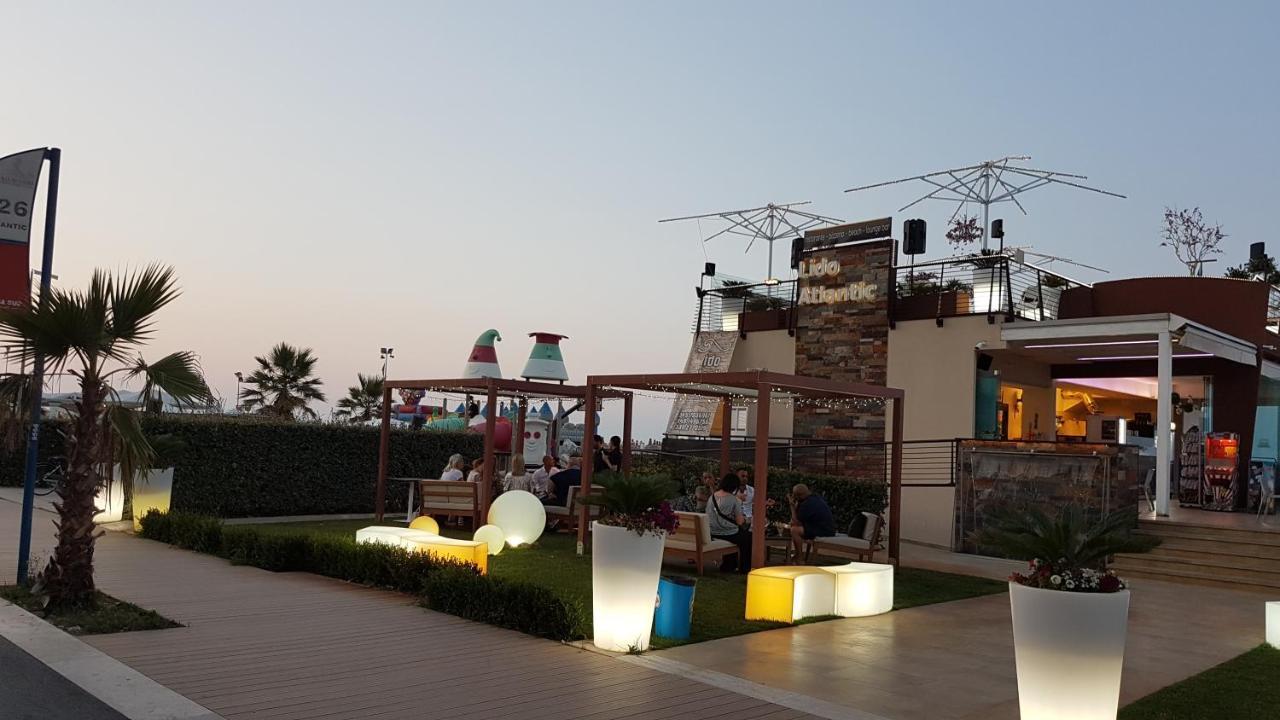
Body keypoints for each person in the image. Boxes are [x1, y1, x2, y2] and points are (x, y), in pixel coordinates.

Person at [707, 473, 751, 573]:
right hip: (727, 533)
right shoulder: (734, 499)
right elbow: (740, 521)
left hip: (712, 532)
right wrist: (746, 519)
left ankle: (729, 565)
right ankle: (744, 568)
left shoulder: (712, 497)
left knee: (739, 534)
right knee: (748, 537)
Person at [789, 484, 835, 562]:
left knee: (794, 530)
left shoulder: (807, 503)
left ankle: (799, 558)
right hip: (825, 528)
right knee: (795, 528)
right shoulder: (814, 498)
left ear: (798, 496)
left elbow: (795, 522)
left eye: (794, 495)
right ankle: (797, 555)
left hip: (824, 530)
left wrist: (792, 506)